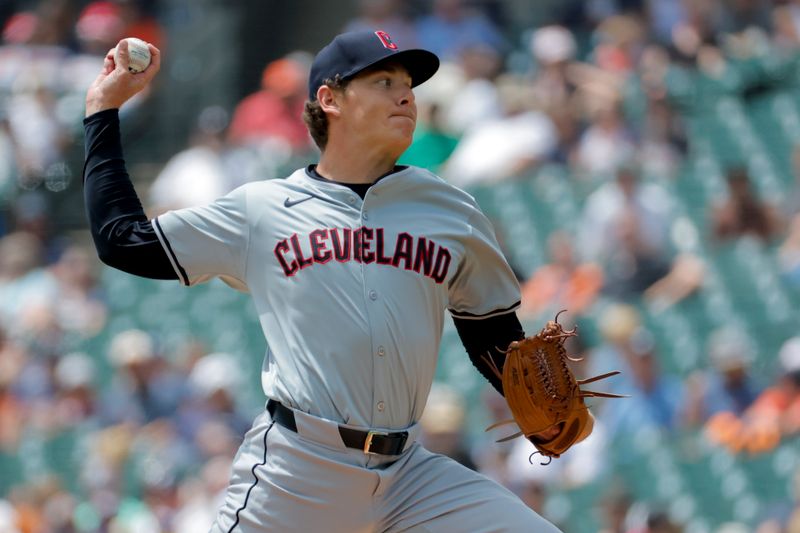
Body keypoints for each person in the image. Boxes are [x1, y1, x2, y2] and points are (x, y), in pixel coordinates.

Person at [82, 32, 562, 532]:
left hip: (407, 477)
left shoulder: (450, 209)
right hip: (298, 470)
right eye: (383, 81)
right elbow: (122, 241)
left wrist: (539, 408)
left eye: (408, 85)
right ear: (329, 100)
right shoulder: (262, 210)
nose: (406, 95)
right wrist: (102, 111)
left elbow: (490, 330)